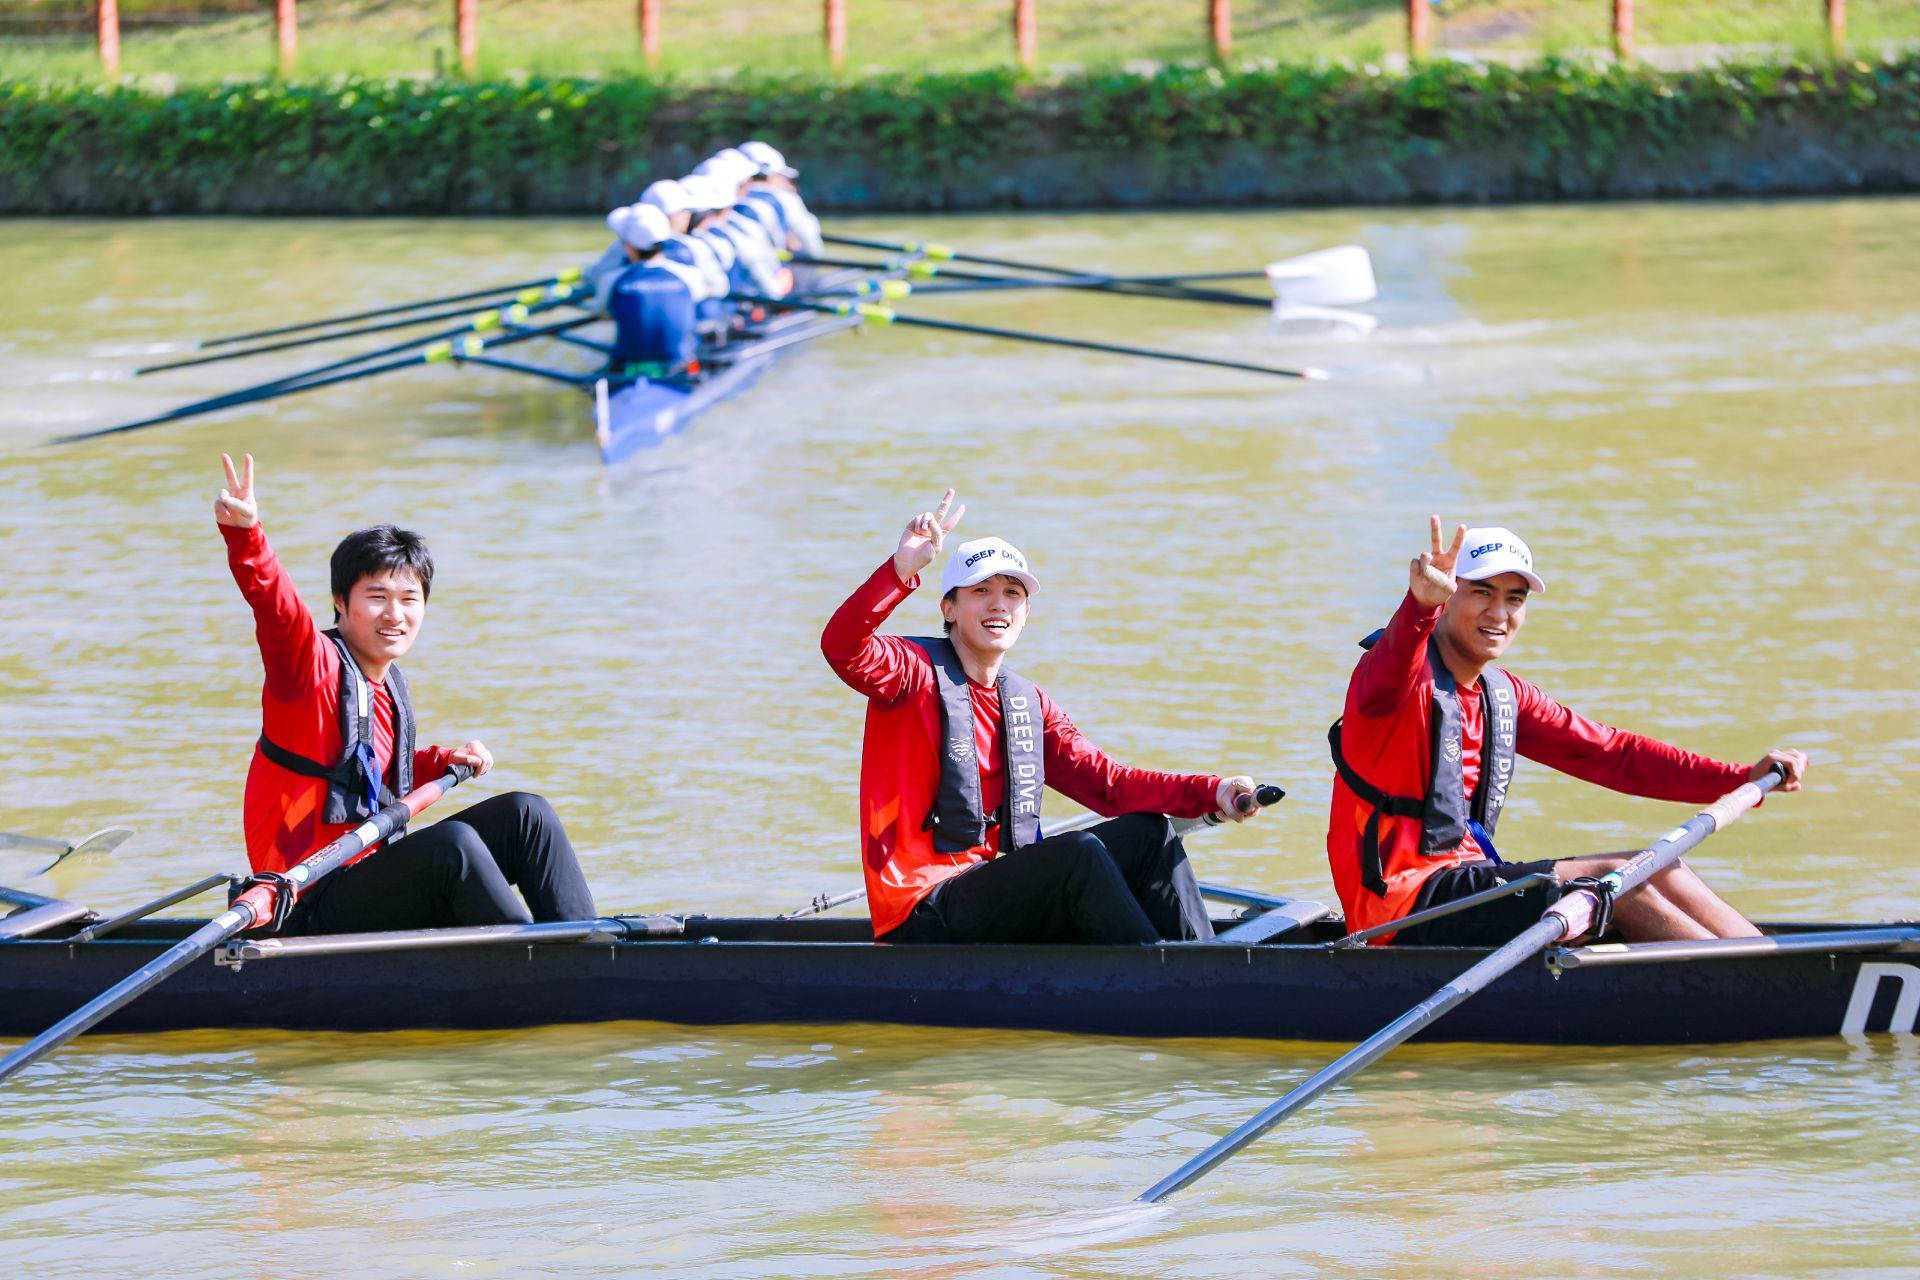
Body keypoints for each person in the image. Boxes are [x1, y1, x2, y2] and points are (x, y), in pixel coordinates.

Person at [1326, 517, 1808, 947]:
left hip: (1467, 884)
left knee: (1657, 865)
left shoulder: (1503, 694)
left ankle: (1770, 962)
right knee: (1614, 881)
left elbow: (1614, 755)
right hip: (1397, 910)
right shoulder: (1391, 683)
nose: (1499, 614)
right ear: (1448, 600)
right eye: (1481, 593)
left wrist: (1742, 777)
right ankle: (1749, 988)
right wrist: (1418, 607)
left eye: (1513, 599)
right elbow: (1395, 663)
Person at [822, 489, 1268, 945]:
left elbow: (1110, 786)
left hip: (1001, 893)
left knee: (1148, 833)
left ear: (1026, 612)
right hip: (924, 910)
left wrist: (1211, 790)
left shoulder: (1028, 704)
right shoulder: (908, 671)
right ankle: (1165, 984)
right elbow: (842, 647)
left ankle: (1202, 963)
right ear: (949, 609)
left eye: (1012, 593)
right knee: (1077, 854)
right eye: (981, 591)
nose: (999, 604)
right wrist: (901, 571)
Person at [215, 453, 596, 934]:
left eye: (409, 599)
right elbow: (276, 609)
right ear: (340, 603)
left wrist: (442, 760)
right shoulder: (307, 670)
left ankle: (585, 943)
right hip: (309, 896)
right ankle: (534, 968)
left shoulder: (385, 680)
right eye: (376, 597)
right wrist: (248, 537)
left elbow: (369, 772)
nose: (394, 614)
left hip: (374, 874)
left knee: (528, 814)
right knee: (451, 845)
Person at [603, 201, 717, 373]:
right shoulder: (691, 276)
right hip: (679, 367)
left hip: (629, 368)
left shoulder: (611, 279)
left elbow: (603, 313)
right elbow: (716, 290)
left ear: (629, 246)